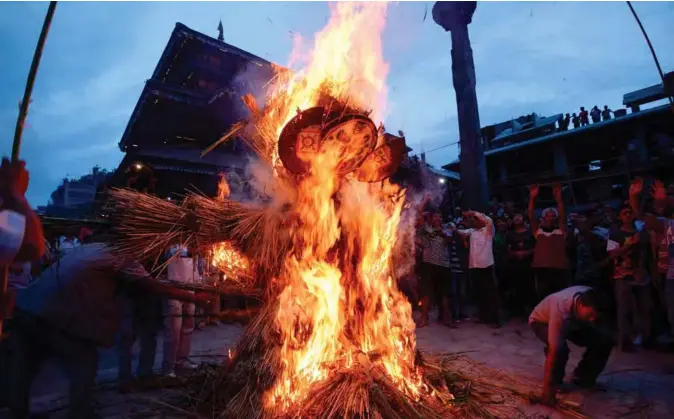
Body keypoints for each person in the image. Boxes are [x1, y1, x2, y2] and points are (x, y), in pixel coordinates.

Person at [8, 240, 212, 419]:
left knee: (26, 367)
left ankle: (18, 412)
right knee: (84, 361)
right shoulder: (122, 257)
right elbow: (154, 286)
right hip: (52, 311)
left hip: (26, 307)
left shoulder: (93, 247)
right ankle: (80, 413)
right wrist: (196, 298)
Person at [529, 286, 613, 405]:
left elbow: (598, 321)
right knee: (560, 349)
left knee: (605, 340)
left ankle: (583, 379)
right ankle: (555, 384)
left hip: (573, 323)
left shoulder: (591, 297)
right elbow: (555, 350)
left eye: (595, 315)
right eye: (591, 315)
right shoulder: (560, 309)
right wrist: (546, 393)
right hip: (542, 321)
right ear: (580, 305)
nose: (593, 319)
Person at [608, 194, 651, 351]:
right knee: (624, 310)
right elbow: (612, 253)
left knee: (644, 308)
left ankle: (645, 339)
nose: (628, 215)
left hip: (641, 275)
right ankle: (623, 341)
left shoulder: (642, 232)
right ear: (620, 217)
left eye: (630, 212)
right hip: (622, 276)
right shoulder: (616, 234)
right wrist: (627, 246)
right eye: (624, 213)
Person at [162, 245, 204, 375]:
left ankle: (182, 360)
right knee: (174, 330)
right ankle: (169, 367)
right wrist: (188, 251)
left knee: (188, 327)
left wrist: (199, 283)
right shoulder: (171, 243)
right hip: (174, 288)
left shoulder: (194, 243)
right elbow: (168, 254)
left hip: (190, 288)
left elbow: (196, 265)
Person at [457, 209, 500, 327]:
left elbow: (489, 220)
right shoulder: (472, 231)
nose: (472, 221)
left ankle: (495, 320)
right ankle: (483, 317)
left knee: (490, 294)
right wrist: (453, 228)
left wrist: (473, 213)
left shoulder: (488, 230)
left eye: (474, 219)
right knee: (479, 294)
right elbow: (460, 232)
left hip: (486, 266)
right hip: (474, 267)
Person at [529, 184, 570, 301]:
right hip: (541, 269)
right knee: (544, 297)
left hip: (559, 268)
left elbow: (562, 216)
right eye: (548, 215)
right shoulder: (538, 232)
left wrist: (559, 199)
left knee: (560, 297)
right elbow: (531, 215)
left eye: (553, 215)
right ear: (543, 218)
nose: (550, 217)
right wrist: (532, 198)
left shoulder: (560, 231)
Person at [415, 210, 453, 328]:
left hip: (443, 265)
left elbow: (449, 240)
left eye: (440, 216)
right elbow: (420, 238)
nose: (438, 218)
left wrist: (438, 230)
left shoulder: (448, 228)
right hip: (428, 265)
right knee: (425, 293)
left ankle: (447, 319)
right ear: (431, 219)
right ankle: (424, 318)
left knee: (444, 294)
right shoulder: (425, 229)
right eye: (435, 216)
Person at [506, 212, 536, 317]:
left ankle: (532, 310)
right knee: (517, 288)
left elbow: (536, 247)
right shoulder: (509, 234)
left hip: (529, 264)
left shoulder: (530, 233)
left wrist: (527, 253)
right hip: (515, 265)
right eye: (515, 217)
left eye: (519, 216)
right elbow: (507, 250)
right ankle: (519, 311)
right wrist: (516, 253)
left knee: (530, 287)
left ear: (524, 219)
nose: (517, 218)